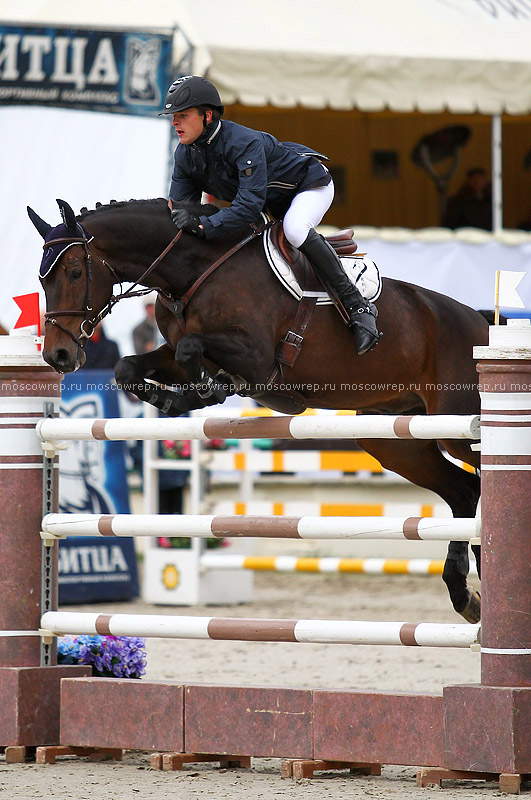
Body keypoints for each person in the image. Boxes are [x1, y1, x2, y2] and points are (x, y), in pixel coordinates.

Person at [159, 75, 380, 355]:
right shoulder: (184, 155)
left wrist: (204, 226)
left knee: (295, 229)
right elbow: (182, 212)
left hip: (308, 185)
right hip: (268, 204)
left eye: (182, 115)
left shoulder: (242, 142)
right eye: (173, 116)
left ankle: (357, 306)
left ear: (207, 116)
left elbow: (247, 207)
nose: (175, 122)